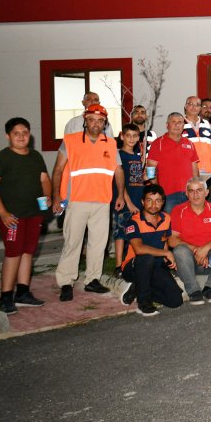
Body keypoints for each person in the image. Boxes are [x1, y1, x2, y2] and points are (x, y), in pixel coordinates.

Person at [51, 104, 127, 301]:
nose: (96, 124)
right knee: (72, 243)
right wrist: (56, 196)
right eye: (92, 120)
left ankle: (92, 279)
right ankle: (66, 282)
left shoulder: (111, 143)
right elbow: (58, 169)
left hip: (102, 201)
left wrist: (120, 195)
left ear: (105, 123)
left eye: (100, 121)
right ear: (85, 120)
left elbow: (118, 170)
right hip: (77, 200)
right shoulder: (70, 140)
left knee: (98, 244)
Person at [0, 117, 51, 313]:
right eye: (16, 133)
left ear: (29, 134)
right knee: (13, 253)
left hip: (34, 214)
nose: (21, 137)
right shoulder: (1, 158)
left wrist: (47, 202)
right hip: (12, 218)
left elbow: (44, 180)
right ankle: (6, 296)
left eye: (25, 133)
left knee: (27, 252)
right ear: (8, 136)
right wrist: (3, 213)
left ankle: (22, 293)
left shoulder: (35, 156)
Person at [118, 184, 183, 316]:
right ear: (143, 202)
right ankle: (143, 303)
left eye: (158, 201)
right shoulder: (133, 221)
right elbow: (139, 249)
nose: (154, 205)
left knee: (176, 300)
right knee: (146, 258)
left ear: (163, 202)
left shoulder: (166, 218)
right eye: (149, 200)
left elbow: (164, 241)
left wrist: (166, 259)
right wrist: (166, 253)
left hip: (155, 266)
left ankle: (138, 288)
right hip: (134, 267)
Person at [168, 177, 211, 304]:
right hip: (188, 262)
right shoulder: (178, 210)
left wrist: (206, 248)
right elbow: (172, 240)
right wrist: (195, 249)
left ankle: (210, 288)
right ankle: (194, 291)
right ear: (186, 193)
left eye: (199, 190)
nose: (195, 194)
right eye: (191, 191)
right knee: (180, 251)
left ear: (206, 192)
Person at [146, 113, 201, 212]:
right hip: (168, 195)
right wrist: (158, 193)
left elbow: (195, 170)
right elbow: (150, 170)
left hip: (189, 194)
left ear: (183, 125)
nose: (177, 125)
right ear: (167, 125)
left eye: (180, 122)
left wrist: (197, 190)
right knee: (170, 221)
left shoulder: (189, 143)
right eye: (173, 122)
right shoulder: (158, 143)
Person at [112, 123, 145, 275]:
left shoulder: (137, 156)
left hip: (138, 199)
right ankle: (118, 265)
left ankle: (130, 261)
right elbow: (121, 182)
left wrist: (144, 177)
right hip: (125, 202)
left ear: (139, 138)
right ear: (122, 136)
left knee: (135, 232)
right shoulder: (119, 155)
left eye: (135, 136)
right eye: (128, 136)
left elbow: (136, 178)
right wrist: (128, 202)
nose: (131, 139)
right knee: (120, 232)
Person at [181, 96, 211, 178]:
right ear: (185, 106)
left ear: (200, 108)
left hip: (207, 171)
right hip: (187, 171)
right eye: (190, 104)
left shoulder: (207, 125)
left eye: (197, 105)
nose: (194, 107)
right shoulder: (179, 124)